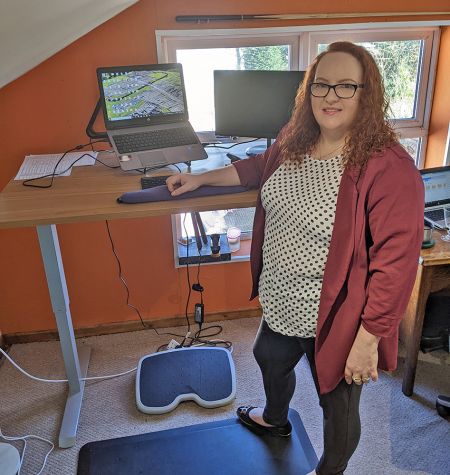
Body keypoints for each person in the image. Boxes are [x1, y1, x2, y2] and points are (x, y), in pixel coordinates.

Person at [166, 41, 424, 475]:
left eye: (346, 86)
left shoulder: (388, 167)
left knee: (337, 405)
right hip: (282, 299)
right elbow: (260, 165)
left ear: (367, 92)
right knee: (269, 357)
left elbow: (396, 264)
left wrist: (368, 339)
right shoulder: (296, 137)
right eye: (322, 85)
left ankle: (330, 471)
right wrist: (201, 179)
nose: (331, 96)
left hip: (337, 316)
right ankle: (276, 420)